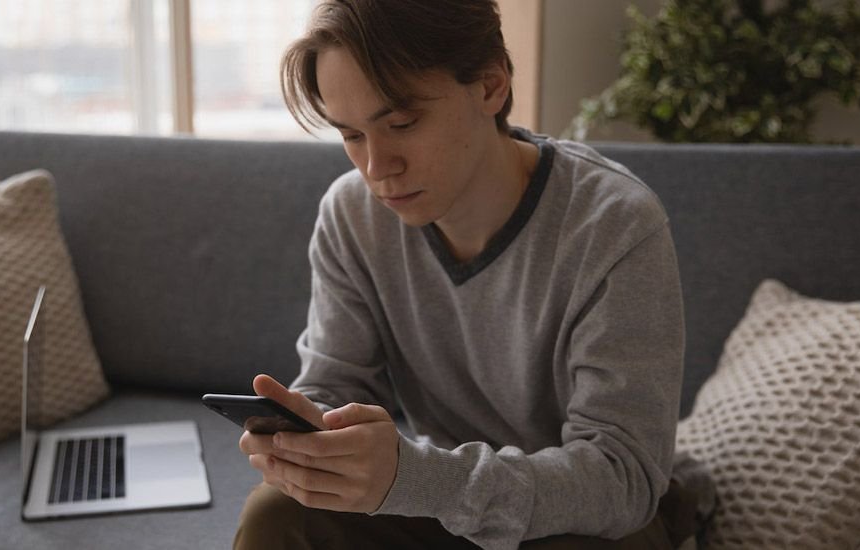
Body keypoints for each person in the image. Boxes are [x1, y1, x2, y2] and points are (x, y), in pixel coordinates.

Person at [235, 1, 698, 548]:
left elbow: (623, 480)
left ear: (490, 86)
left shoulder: (613, 224)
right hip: (450, 506)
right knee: (277, 513)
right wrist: (309, 447)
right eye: (352, 136)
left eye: (401, 123)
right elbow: (336, 385)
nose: (377, 169)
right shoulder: (352, 216)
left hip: (592, 519)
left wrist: (423, 480)